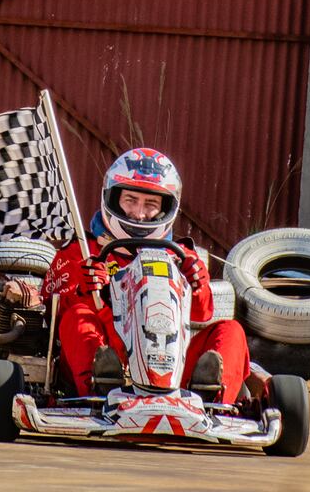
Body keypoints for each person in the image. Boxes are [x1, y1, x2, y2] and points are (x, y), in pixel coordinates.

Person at [40, 148, 250, 403]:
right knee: (78, 317)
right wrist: (85, 290)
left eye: (151, 204)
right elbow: (53, 311)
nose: (139, 214)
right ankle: (102, 391)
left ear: (167, 208)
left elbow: (201, 314)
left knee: (232, 330)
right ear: (113, 198)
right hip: (109, 356)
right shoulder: (81, 251)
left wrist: (195, 284)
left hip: (173, 361)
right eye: (131, 200)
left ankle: (211, 401)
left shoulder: (183, 256)